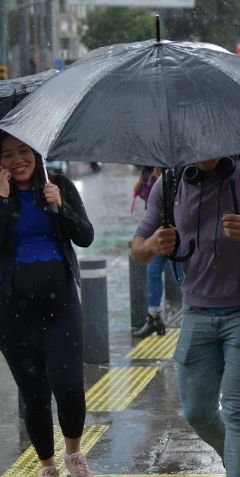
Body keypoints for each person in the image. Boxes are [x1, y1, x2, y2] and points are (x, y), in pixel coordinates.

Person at [130, 153, 240, 476]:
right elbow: (138, 249)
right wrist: (154, 244)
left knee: (239, 411)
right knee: (196, 412)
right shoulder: (169, 182)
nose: (206, 154)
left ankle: (239, 459)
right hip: (196, 311)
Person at [0, 132, 95, 477]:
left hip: (62, 308)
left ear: (37, 153)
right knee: (34, 393)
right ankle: (47, 465)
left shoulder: (60, 186)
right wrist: (2, 201)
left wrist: (62, 206)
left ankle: (73, 453)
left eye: (23, 151)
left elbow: (85, 235)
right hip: (12, 314)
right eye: (7, 154)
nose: (17, 160)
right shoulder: (0, 195)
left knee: (69, 385)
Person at [130, 166, 183, 338]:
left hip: (178, 235)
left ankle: (184, 312)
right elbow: (137, 251)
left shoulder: (175, 172)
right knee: (153, 271)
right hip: (159, 231)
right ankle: (154, 317)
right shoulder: (150, 171)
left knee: (180, 275)